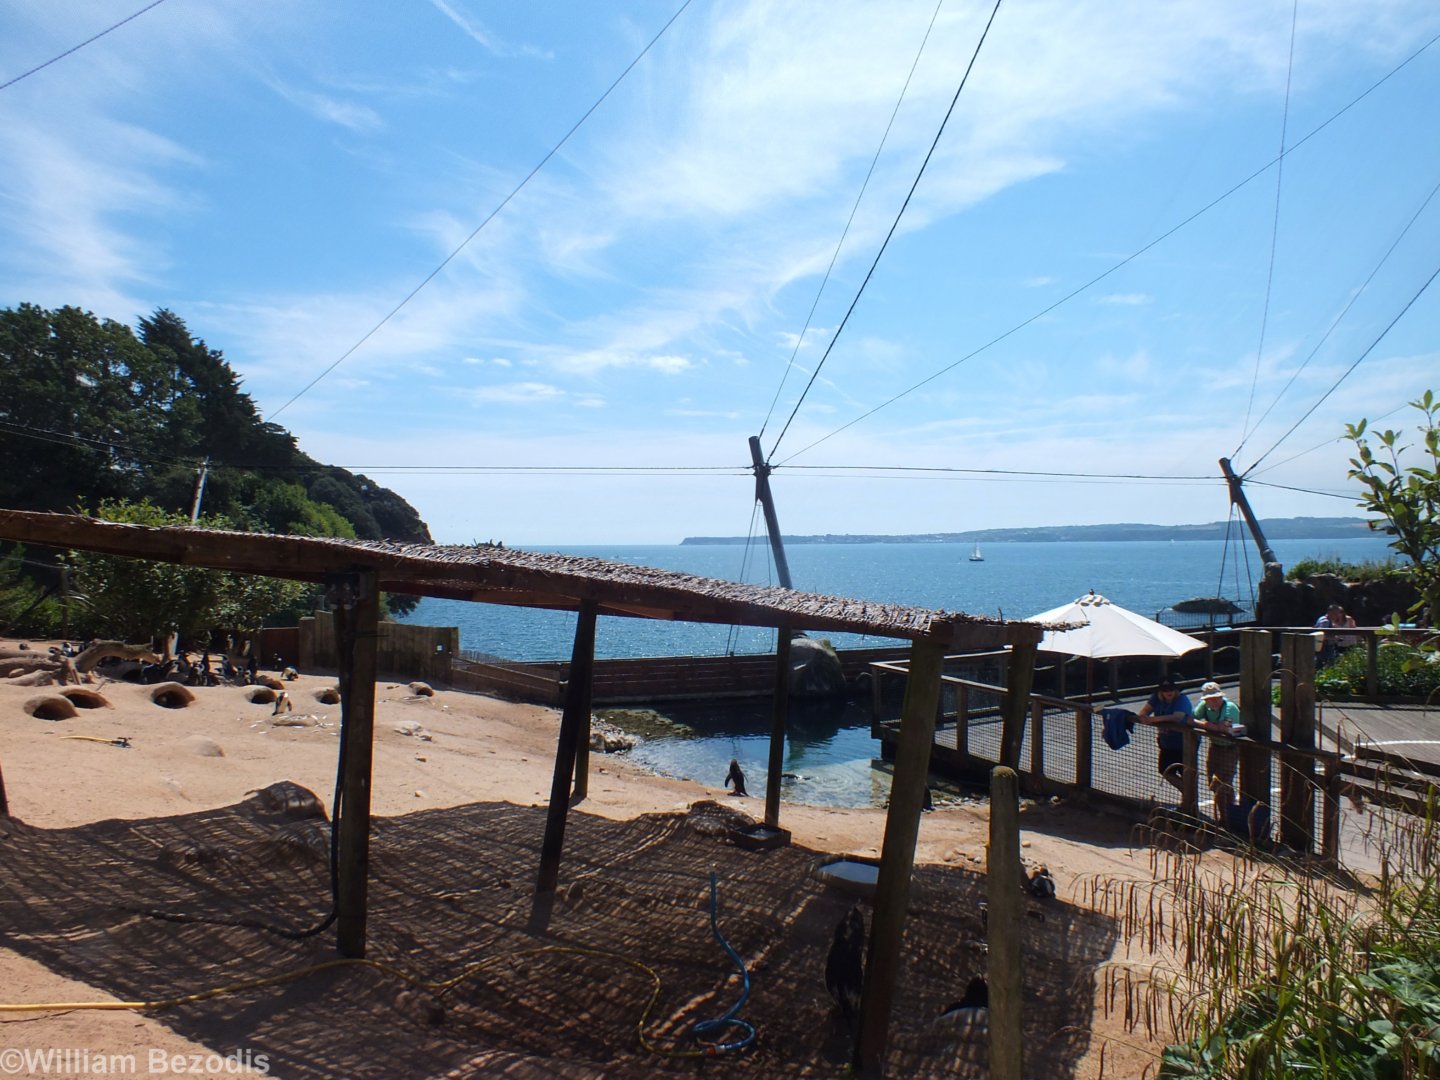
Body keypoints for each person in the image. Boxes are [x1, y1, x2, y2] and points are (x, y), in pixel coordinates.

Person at [1193, 681, 1244, 823]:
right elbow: (1191, 717)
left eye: (1216, 697)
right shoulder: (1205, 706)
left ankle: (1227, 818)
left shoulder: (1230, 708)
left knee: (1222, 784)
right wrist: (1209, 725)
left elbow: (1222, 727)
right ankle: (1227, 816)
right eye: (1210, 699)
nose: (1214, 701)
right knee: (1214, 783)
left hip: (1230, 749)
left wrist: (1205, 725)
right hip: (1215, 747)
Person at [1136, 677, 1194, 791]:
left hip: (1185, 744)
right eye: (1165, 690)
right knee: (1165, 770)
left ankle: (1189, 800)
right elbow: (1143, 712)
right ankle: (1187, 793)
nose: (1169, 692)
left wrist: (1153, 719)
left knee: (1186, 773)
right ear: (1160, 692)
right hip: (1167, 743)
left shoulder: (1182, 699)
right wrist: (1144, 717)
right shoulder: (1155, 699)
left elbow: (1178, 717)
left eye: (1171, 689)